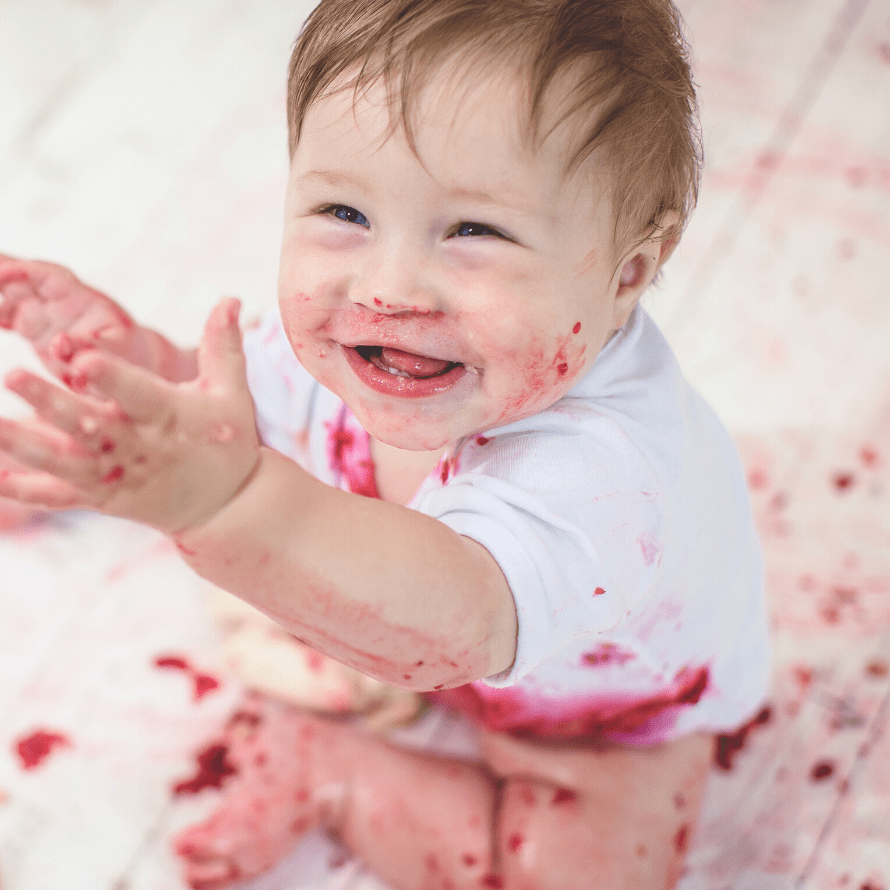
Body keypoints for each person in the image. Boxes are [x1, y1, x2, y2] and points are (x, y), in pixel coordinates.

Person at [0, 0, 771, 886]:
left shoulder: (606, 473)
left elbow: (447, 625)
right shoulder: (378, 352)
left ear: (626, 270)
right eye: (344, 212)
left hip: (597, 721)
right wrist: (130, 369)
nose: (390, 286)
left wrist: (223, 503)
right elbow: (234, 416)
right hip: (414, 625)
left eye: (474, 231)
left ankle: (338, 773)